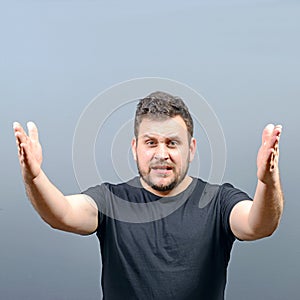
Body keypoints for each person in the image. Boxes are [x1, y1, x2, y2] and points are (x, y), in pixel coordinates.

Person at [13, 91, 284, 300]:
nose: (161, 154)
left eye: (172, 143)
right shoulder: (111, 201)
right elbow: (61, 214)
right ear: (135, 148)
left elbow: (258, 224)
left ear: (191, 148)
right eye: (151, 142)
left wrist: (267, 181)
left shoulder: (218, 201)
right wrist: (34, 177)